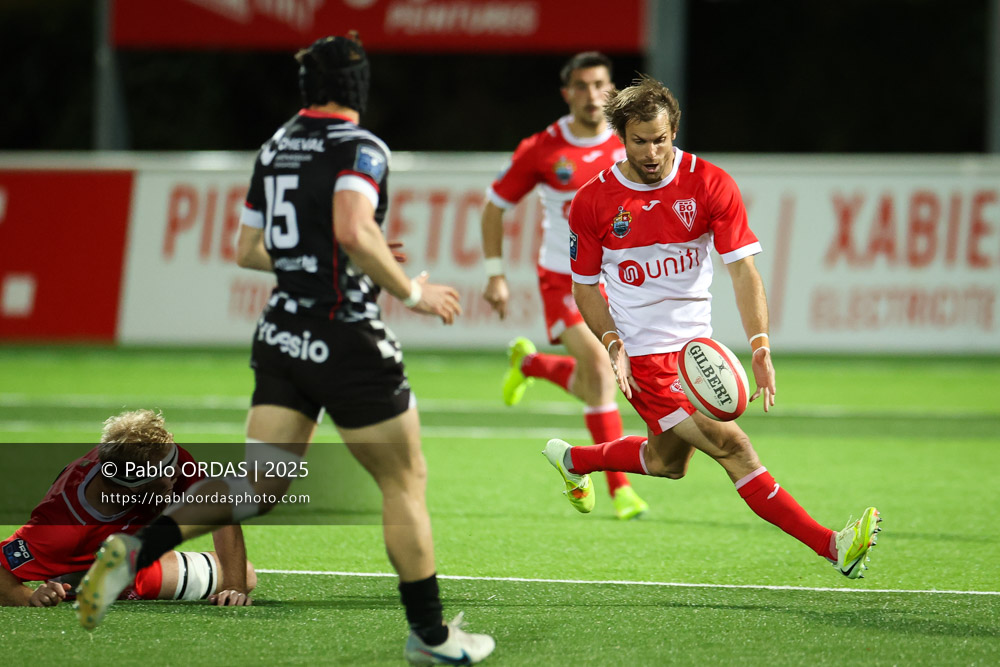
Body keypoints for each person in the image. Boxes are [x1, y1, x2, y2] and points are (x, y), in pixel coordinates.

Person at [75, 33, 495, 664]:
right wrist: (411, 291)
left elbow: (248, 250)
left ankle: (135, 549)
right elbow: (353, 228)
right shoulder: (361, 146)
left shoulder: (276, 146)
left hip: (281, 334)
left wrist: (333, 256)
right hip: (345, 338)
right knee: (404, 481)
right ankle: (431, 636)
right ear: (357, 86)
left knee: (258, 483)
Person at [542, 74, 881, 579]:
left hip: (696, 352)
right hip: (645, 356)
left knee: (666, 464)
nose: (652, 152)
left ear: (674, 130)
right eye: (639, 141)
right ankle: (834, 547)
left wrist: (760, 346)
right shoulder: (593, 201)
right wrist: (613, 343)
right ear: (622, 137)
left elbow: (743, 270)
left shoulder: (708, 183)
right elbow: (585, 287)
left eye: (660, 139)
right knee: (734, 447)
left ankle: (573, 460)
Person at [481, 51, 649, 521]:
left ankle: (531, 364)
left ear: (612, 90)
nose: (592, 95)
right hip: (566, 278)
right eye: (582, 86)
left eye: (600, 85)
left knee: (601, 378)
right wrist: (495, 273)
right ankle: (620, 490)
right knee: (600, 370)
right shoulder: (542, 148)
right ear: (567, 93)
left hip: (621, 280)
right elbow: (494, 207)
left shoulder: (632, 142)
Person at [0, 410, 255, 607]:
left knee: (244, 574)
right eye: (168, 470)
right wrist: (30, 597)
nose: (180, 470)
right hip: (95, 563)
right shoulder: (60, 526)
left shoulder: (158, 456)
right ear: (135, 485)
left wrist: (235, 588)